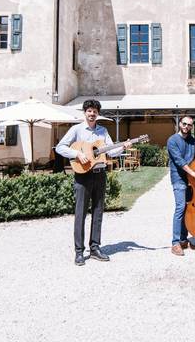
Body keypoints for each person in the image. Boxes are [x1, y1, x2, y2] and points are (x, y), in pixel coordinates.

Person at [55, 99, 125, 266]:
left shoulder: (103, 131)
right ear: (85, 113)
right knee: (80, 213)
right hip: (82, 175)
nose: (92, 114)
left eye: (95, 111)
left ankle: (95, 248)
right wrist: (77, 154)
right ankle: (79, 252)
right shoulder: (76, 130)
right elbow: (60, 147)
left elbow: (111, 151)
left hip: (100, 174)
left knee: (98, 212)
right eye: (89, 111)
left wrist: (123, 146)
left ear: (98, 114)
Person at [166, 115, 195, 256]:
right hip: (179, 178)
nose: (186, 127)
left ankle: (183, 239)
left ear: (192, 127)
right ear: (179, 124)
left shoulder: (193, 141)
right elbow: (179, 161)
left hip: (191, 181)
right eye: (184, 124)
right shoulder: (172, 140)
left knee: (188, 209)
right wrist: (193, 173)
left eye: (189, 125)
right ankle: (175, 243)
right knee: (180, 208)